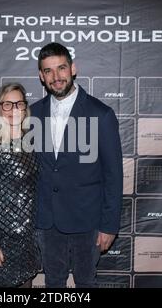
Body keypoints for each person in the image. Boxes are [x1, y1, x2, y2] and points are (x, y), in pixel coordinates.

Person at [31, 42, 123, 288]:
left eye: (61, 68)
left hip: (88, 221)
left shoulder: (100, 114)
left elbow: (113, 174)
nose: (56, 77)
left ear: (73, 68)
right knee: (53, 283)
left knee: (86, 283)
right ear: (41, 76)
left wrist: (109, 225)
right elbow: (23, 164)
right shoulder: (33, 114)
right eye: (48, 71)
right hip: (47, 220)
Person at [0, 83, 40, 288]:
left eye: (19, 104)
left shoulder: (31, 143)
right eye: (7, 105)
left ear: (25, 108)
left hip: (29, 238)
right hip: (5, 240)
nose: (14, 110)